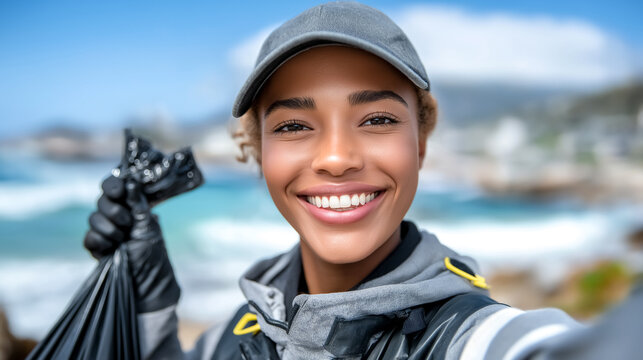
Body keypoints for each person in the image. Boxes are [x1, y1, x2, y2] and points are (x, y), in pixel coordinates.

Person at [83, 2, 642, 359]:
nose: (334, 157)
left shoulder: (468, 339)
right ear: (257, 151)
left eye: (376, 119)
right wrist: (145, 298)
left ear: (420, 140)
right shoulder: (242, 327)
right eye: (295, 125)